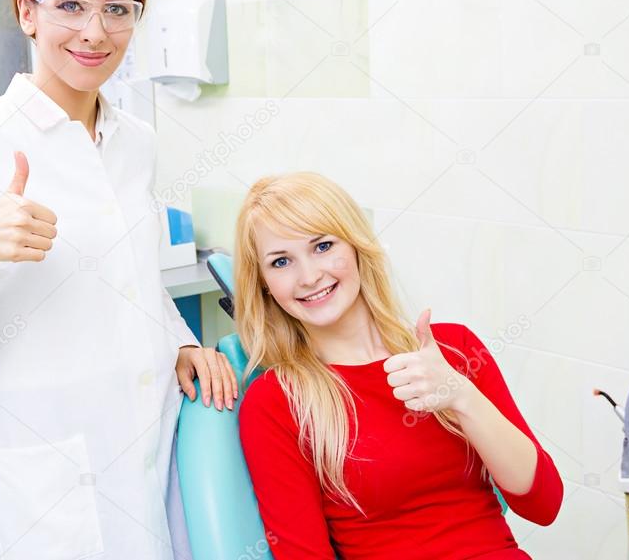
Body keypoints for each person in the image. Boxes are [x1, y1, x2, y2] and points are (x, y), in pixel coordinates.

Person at [0, 0, 237, 560]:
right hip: (55, 480)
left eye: (117, 10)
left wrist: (180, 342)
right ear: (27, 11)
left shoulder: (135, 142)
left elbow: (133, 281)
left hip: (156, 443)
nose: (95, 32)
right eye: (70, 7)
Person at [234, 172, 562, 559]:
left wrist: (461, 396)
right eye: (281, 261)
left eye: (322, 246)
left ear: (356, 246)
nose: (309, 276)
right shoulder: (276, 402)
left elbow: (543, 505)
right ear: (264, 284)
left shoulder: (453, 349)